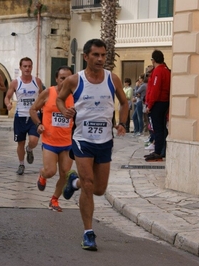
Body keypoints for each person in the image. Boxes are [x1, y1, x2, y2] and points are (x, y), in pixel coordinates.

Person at [56, 39, 129, 251]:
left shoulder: (112, 79)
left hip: (105, 140)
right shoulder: (74, 80)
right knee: (89, 183)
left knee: (99, 188)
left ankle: (74, 182)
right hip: (82, 139)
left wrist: (123, 123)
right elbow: (60, 99)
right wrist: (64, 110)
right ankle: (88, 233)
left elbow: (124, 103)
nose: (100, 59)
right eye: (95, 55)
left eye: (103, 55)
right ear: (86, 56)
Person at [29, 66, 74, 212]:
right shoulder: (49, 92)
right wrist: (39, 124)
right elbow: (33, 109)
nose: (65, 81)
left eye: (68, 78)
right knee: (50, 171)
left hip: (68, 142)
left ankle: (54, 199)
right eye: (62, 78)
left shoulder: (76, 95)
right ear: (56, 79)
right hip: (50, 141)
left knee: (65, 174)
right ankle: (42, 175)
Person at [4, 57, 43, 175]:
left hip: (34, 116)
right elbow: (7, 96)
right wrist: (8, 104)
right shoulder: (16, 82)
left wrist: (43, 106)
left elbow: (42, 96)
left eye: (29, 66)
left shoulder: (37, 81)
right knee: (20, 142)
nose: (27, 68)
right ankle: (21, 164)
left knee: (34, 140)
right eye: (25, 66)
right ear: (20, 67)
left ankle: (30, 149)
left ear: (32, 67)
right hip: (20, 116)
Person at [144, 50, 170, 162]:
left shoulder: (158, 71)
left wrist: (150, 105)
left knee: (158, 129)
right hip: (163, 102)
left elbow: (155, 89)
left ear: (153, 60)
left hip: (158, 103)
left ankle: (158, 152)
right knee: (161, 128)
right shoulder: (166, 70)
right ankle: (160, 150)